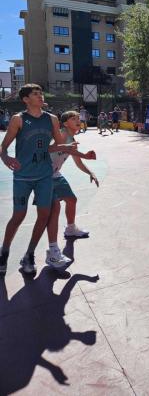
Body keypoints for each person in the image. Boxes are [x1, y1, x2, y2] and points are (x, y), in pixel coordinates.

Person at [0, 84, 78, 275]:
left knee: (44, 215)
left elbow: (55, 145)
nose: (40, 96)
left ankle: (29, 254)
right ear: (26, 99)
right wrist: (6, 157)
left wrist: (69, 147)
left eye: (41, 93)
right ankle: (4, 252)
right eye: (36, 94)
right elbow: (3, 147)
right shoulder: (19, 119)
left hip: (45, 176)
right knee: (18, 216)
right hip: (23, 176)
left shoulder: (51, 118)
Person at [45, 110, 99, 269]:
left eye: (78, 118)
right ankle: (52, 250)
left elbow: (77, 161)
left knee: (72, 200)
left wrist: (90, 171)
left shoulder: (72, 138)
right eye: (73, 118)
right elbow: (50, 149)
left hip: (55, 174)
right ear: (65, 123)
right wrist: (85, 155)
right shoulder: (60, 134)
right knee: (54, 209)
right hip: (44, 176)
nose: (78, 120)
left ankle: (70, 229)